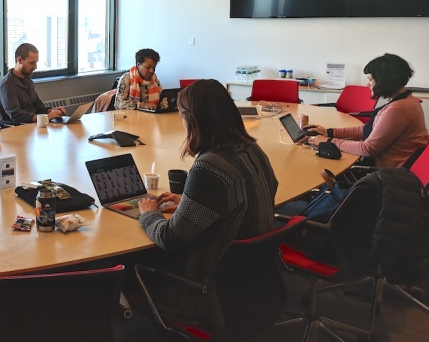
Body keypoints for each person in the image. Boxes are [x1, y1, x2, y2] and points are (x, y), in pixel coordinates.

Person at [134, 79, 278, 324]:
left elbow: (170, 239)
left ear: (194, 119)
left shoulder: (209, 167)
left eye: (181, 116)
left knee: (128, 262)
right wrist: (190, 201)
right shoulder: (253, 150)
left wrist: (149, 215)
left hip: (206, 291)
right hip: (251, 282)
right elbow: (255, 195)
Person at [305, 53, 428, 168]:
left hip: (386, 173)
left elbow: (368, 149)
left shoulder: (398, 109)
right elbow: (367, 129)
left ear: (384, 80)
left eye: (370, 79)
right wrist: (329, 132)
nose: (367, 84)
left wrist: (329, 141)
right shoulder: (405, 100)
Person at [0, 43, 66, 124]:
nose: (35, 67)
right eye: (32, 63)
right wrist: (45, 117)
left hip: (33, 125)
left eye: (36, 63)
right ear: (20, 60)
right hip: (19, 129)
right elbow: (16, 115)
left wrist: (53, 112)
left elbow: (37, 104)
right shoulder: (6, 85)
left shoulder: (27, 79)